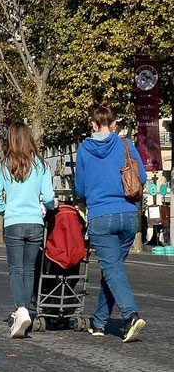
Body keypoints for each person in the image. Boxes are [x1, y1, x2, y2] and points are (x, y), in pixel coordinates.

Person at [75, 103, 147, 342]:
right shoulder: (126, 144)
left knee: (112, 269)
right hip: (128, 215)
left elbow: (80, 188)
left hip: (100, 216)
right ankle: (99, 322)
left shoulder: (84, 149)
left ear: (93, 124)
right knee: (113, 269)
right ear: (114, 124)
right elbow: (142, 176)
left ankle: (130, 315)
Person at [0, 122, 55, 338]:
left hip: (13, 223)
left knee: (15, 270)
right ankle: (25, 312)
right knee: (29, 271)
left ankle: (21, 309)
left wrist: (6, 210)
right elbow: (49, 197)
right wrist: (49, 206)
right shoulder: (41, 165)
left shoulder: (4, 166)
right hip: (35, 222)